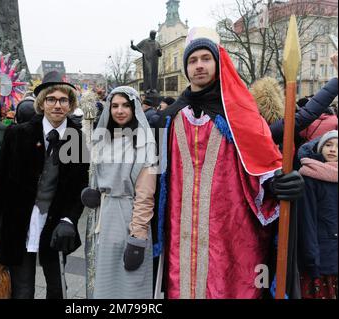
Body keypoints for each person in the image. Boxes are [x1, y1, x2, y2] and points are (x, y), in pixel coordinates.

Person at [157, 37, 304, 299]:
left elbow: (260, 166)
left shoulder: (239, 114)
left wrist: (277, 184)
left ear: (218, 64)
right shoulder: (169, 118)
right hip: (179, 238)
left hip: (230, 237)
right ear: (186, 69)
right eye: (192, 61)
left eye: (205, 59)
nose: (199, 66)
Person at [0, 71, 89, 299]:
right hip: (19, 222)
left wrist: (69, 219)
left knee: (58, 289)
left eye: (63, 100)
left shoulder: (76, 138)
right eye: (51, 99)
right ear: (42, 103)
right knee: (22, 290)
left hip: (55, 224)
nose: (57, 105)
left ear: (70, 104)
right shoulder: (17, 134)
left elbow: (78, 185)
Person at [82, 86, 157, 299]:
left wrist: (138, 238)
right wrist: (93, 191)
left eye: (125, 105)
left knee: (128, 287)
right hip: (102, 217)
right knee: (102, 284)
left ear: (134, 108)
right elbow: (96, 173)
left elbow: (145, 196)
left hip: (128, 218)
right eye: (114, 105)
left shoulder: (145, 143)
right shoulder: (103, 138)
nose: (120, 110)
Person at [297, 130, 337, 299]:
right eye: (328, 145)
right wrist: (312, 260)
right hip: (321, 258)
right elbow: (307, 221)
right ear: (320, 149)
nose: (333, 149)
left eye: (337, 147)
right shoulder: (310, 176)